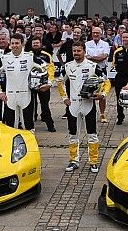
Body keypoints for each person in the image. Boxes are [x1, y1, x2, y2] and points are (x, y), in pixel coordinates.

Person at [58, 42, 110, 173]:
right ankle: (73, 160)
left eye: (79, 51)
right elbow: (59, 81)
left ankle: (93, 162)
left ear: (84, 51)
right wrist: (64, 98)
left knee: (92, 134)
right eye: (74, 51)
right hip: (73, 105)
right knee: (73, 134)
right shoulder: (68, 66)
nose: (76, 53)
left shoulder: (93, 66)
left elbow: (106, 81)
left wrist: (102, 94)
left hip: (88, 104)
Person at [0, 34, 45, 131]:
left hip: (25, 95)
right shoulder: (4, 58)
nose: (15, 45)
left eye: (17, 43)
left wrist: (48, 83)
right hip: (10, 96)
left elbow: (47, 67)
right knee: (10, 126)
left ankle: (30, 145)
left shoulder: (30, 57)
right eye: (13, 43)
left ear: (22, 44)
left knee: (28, 125)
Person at [28, 37, 56, 132]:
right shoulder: (28, 55)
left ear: (41, 44)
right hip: (31, 84)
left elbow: (51, 69)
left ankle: (50, 125)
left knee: (45, 105)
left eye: (37, 43)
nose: (35, 45)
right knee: (30, 105)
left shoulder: (47, 55)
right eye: (34, 43)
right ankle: (30, 125)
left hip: (43, 84)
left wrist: (49, 83)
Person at [111, 31, 128, 126]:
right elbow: (114, 64)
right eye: (123, 38)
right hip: (120, 77)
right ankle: (120, 117)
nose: (125, 39)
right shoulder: (117, 52)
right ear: (121, 38)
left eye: (127, 37)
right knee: (119, 98)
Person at [85, 27, 111, 123]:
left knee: (102, 93)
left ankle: (102, 114)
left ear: (101, 33)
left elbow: (103, 57)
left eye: (97, 33)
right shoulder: (86, 44)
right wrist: (96, 58)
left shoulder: (105, 44)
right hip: (90, 71)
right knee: (89, 92)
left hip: (102, 71)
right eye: (94, 33)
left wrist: (91, 58)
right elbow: (85, 58)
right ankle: (89, 113)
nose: (95, 34)